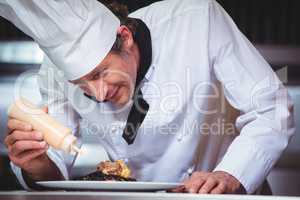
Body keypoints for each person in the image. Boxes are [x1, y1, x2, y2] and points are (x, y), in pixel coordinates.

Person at [1, 0, 294, 194]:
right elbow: (53, 163)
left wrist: (231, 175)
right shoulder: (56, 71)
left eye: (100, 73)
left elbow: (270, 106)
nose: (98, 94)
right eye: (82, 86)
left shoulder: (196, 20)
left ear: (125, 37)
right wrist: (36, 162)